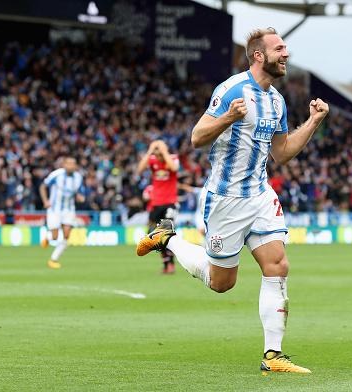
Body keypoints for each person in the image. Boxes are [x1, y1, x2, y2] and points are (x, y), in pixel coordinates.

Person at [136, 27, 329, 373]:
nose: (286, 55)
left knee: (278, 265)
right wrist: (228, 117)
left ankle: (273, 355)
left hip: (259, 194)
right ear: (259, 55)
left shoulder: (277, 100)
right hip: (226, 199)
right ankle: (169, 238)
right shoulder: (231, 90)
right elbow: (196, 137)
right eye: (280, 49)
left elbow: (282, 154)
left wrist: (313, 122)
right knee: (222, 283)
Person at [137, 140, 180, 274]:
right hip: (156, 204)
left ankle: (171, 264)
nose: (158, 150)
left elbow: (174, 168)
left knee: (167, 233)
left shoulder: (172, 158)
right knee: (154, 235)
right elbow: (139, 170)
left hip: (170, 203)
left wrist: (164, 151)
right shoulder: (152, 160)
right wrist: (150, 151)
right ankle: (166, 263)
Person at [39, 157, 84, 269]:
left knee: (67, 235)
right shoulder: (56, 175)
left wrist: (80, 197)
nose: (71, 166)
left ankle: (53, 259)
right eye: (69, 163)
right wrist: (45, 201)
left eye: (73, 164)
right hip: (55, 209)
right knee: (55, 236)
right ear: (64, 165)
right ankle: (48, 238)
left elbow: (78, 192)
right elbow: (42, 186)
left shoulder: (78, 177)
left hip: (69, 209)